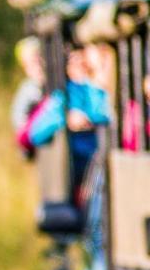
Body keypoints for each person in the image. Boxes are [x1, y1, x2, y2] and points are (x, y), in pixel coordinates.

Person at [19, 46, 111, 193]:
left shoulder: (102, 92)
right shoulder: (62, 98)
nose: (80, 64)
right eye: (73, 61)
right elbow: (32, 134)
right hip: (78, 174)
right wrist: (65, 118)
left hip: (102, 166)